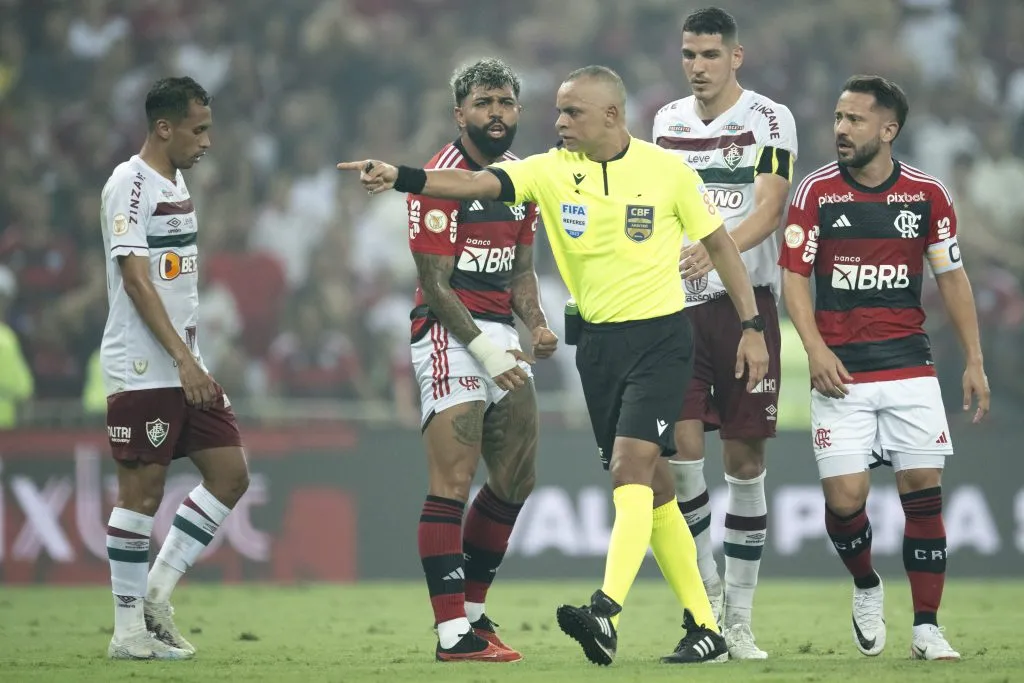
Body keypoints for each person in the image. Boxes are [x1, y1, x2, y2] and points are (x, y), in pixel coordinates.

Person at [340, 65, 770, 666]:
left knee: (628, 470)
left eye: (572, 112)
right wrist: (400, 177)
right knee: (656, 485)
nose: (559, 121)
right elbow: (468, 187)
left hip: (661, 341)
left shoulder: (665, 170)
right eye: (559, 111)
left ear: (612, 117)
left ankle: (604, 610)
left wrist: (752, 327)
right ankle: (705, 624)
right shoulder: (545, 170)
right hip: (594, 349)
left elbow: (721, 245)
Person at [779, 75, 990, 662]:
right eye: (838, 118)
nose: (841, 130)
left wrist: (974, 360)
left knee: (922, 489)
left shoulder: (928, 195)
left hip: (909, 367)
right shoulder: (816, 192)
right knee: (846, 499)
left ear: (888, 129)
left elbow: (952, 277)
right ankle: (867, 585)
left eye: (855, 120)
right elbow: (794, 276)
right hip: (842, 371)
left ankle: (927, 627)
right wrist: (815, 348)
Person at [651, 7, 797, 660]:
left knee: (744, 461)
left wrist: (715, 248)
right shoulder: (666, 122)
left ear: (736, 57)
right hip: (677, 308)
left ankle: (740, 618)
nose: (698, 67)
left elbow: (769, 207)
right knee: (682, 452)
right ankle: (706, 604)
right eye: (689, 55)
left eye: (710, 54)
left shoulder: (770, 119)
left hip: (748, 306)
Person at [406, 58, 555, 663]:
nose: (496, 113)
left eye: (506, 103)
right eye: (484, 103)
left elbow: (523, 269)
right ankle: (450, 637)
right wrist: (485, 349)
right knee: (454, 480)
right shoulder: (440, 179)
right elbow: (435, 285)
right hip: (449, 333)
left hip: (502, 336)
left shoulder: (523, 178)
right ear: (460, 113)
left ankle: (471, 616)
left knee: (517, 478)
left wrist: (538, 324)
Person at [100, 77, 250, 660]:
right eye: (199, 128)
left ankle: (156, 596)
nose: (207, 140)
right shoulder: (128, 184)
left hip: (185, 360)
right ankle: (127, 631)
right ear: (164, 127)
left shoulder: (175, 180)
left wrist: (191, 357)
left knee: (230, 473)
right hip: (144, 366)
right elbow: (136, 280)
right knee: (141, 493)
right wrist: (184, 360)